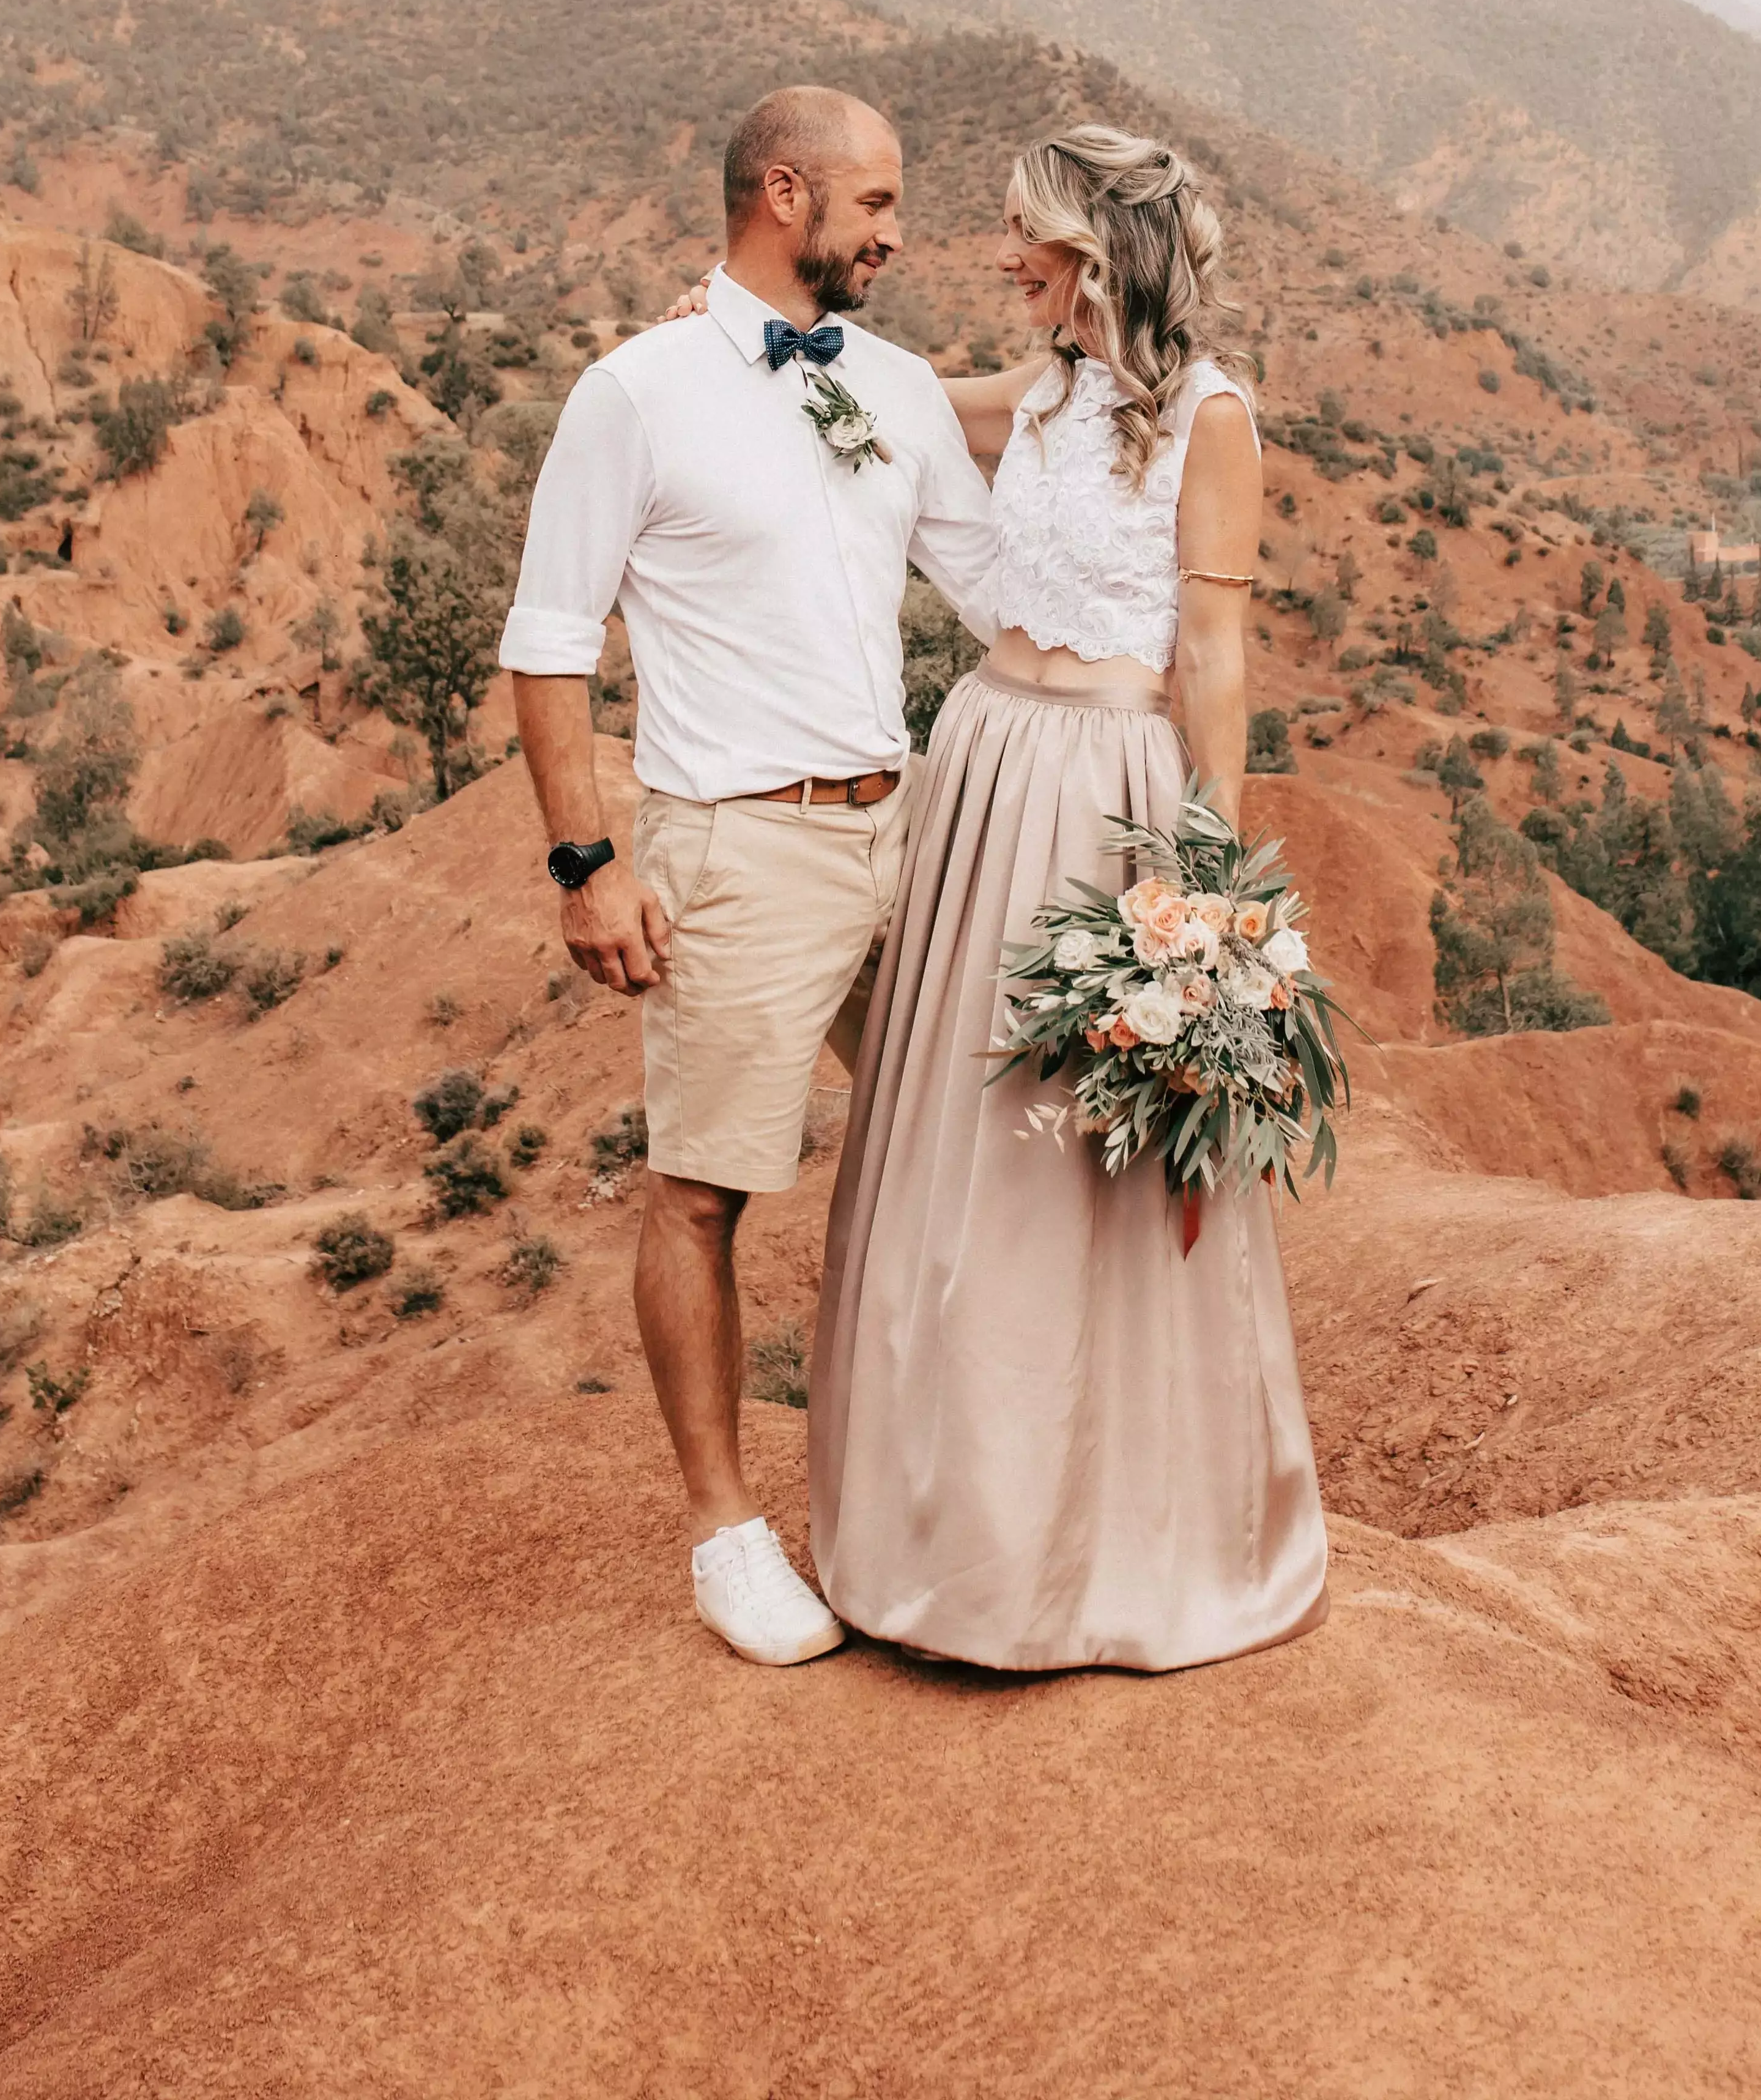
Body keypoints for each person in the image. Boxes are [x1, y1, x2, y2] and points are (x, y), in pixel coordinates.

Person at [809, 124, 1327, 1669]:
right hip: (977, 767)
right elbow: (884, 406)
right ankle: (941, 1541)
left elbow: (1215, 656)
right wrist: (768, 335)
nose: (1001, 256)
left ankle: (1095, 1552)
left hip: (1107, 793)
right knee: (950, 1144)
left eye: (1025, 233)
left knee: (1071, 1167)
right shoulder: (1036, 390)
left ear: (1097, 250)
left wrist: (1213, 874)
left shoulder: (1211, 420)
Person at [501, 84, 995, 1668]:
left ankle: (943, 1484)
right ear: (783, 195)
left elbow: (997, 596)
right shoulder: (635, 394)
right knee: (705, 1189)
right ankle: (726, 1535)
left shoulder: (900, 388)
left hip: (906, 833)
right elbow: (551, 640)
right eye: (876, 203)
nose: (898, 233)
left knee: (979, 1142)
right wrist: (591, 863)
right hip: (738, 839)